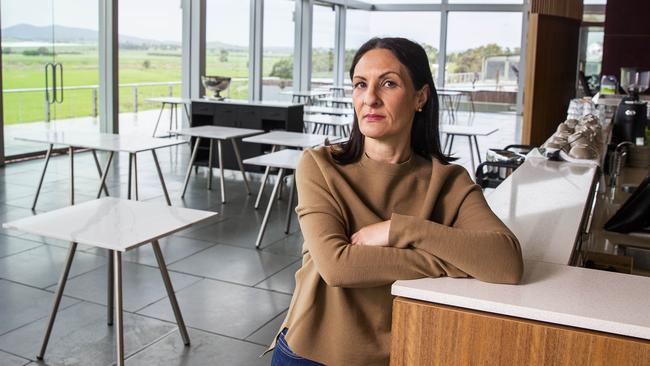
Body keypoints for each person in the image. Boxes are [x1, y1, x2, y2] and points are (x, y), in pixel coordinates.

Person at [269, 37, 523, 366]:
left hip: (403, 354)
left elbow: (506, 263)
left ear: (420, 96)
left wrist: (401, 230)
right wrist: (448, 261)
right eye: (360, 84)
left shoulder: (449, 181)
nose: (370, 99)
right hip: (310, 355)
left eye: (388, 83)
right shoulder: (320, 166)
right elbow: (338, 267)